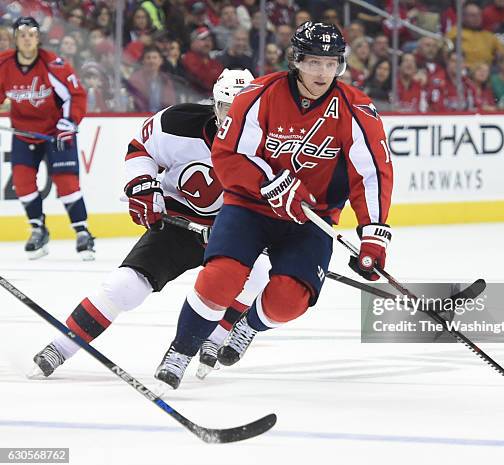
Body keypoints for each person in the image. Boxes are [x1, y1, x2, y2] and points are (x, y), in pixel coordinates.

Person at [165, 21, 393, 370]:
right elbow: (228, 154)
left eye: (331, 64)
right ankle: (180, 351)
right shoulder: (259, 95)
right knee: (219, 278)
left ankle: (247, 326)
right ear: (297, 60)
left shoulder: (356, 109)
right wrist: (270, 183)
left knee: (289, 300)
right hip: (250, 208)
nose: (323, 72)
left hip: (311, 217)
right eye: (315, 62)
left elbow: (373, 174)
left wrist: (374, 236)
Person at [30, 69, 270, 388]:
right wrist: (142, 186)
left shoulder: (274, 141)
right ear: (215, 105)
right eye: (228, 108)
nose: (234, 118)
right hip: (178, 225)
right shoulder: (176, 123)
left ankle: (217, 335)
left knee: (261, 272)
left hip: (233, 227)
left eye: (245, 109)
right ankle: (61, 347)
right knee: (123, 287)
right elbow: (140, 151)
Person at [0, 17, 94, 260]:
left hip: (55, 132)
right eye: (22, 34)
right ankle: (37, 228)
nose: (27, 38)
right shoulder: (4, 64)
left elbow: (76, 95)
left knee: (66, 183)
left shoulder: (53, 64)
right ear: (15, 38)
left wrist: (68, 122)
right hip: (23, 133)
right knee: (22, 183)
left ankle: (82, 232)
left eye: (31, 33)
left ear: (38, 38)